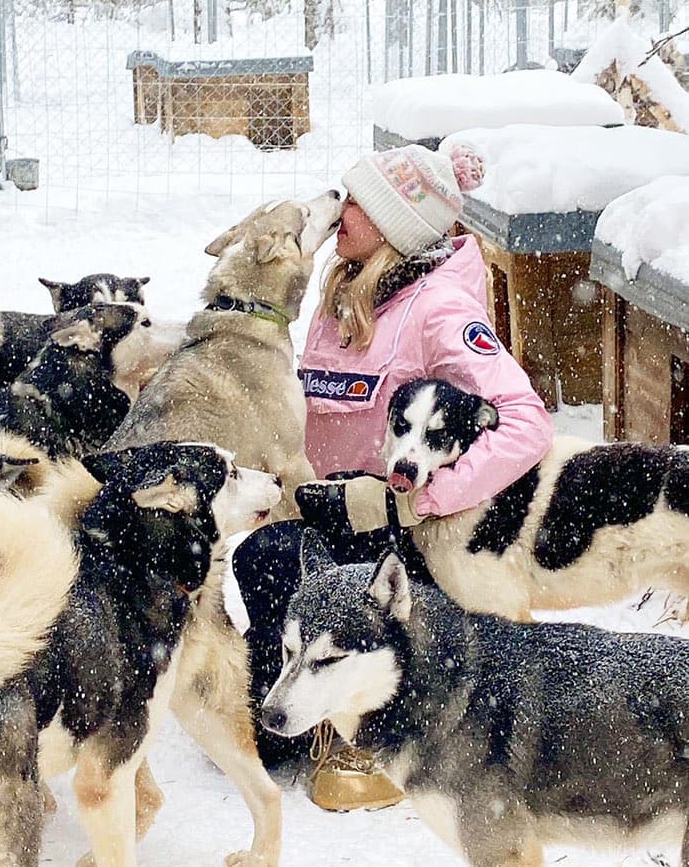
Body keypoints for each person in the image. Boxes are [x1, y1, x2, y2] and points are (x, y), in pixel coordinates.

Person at [229, 143, 555, 810]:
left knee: (275, 566)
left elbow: (527, 424)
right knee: (261, 561)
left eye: (359, 201)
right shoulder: (346, 291)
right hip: (326, 512)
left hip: (397, 543)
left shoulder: (439, 311)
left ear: (397, 224)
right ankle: (303, 717)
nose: (341, 209)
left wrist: (422, 500)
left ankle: (363, 730)